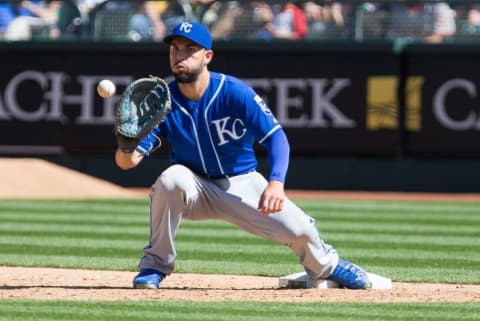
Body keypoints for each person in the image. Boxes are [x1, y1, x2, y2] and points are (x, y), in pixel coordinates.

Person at [115, 21, 369, 290]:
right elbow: (126, 163)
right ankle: (155, 265)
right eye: (175, 49)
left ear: (207, 56)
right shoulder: (161, 100)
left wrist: (276, 182)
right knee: (170, 180)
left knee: (301, 231)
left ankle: (327, 264)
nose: (180, 56)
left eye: (190, 49)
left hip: (241, 183)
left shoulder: (233, 91)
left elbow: (276, 137)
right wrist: (125, 144)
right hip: (195, 188)